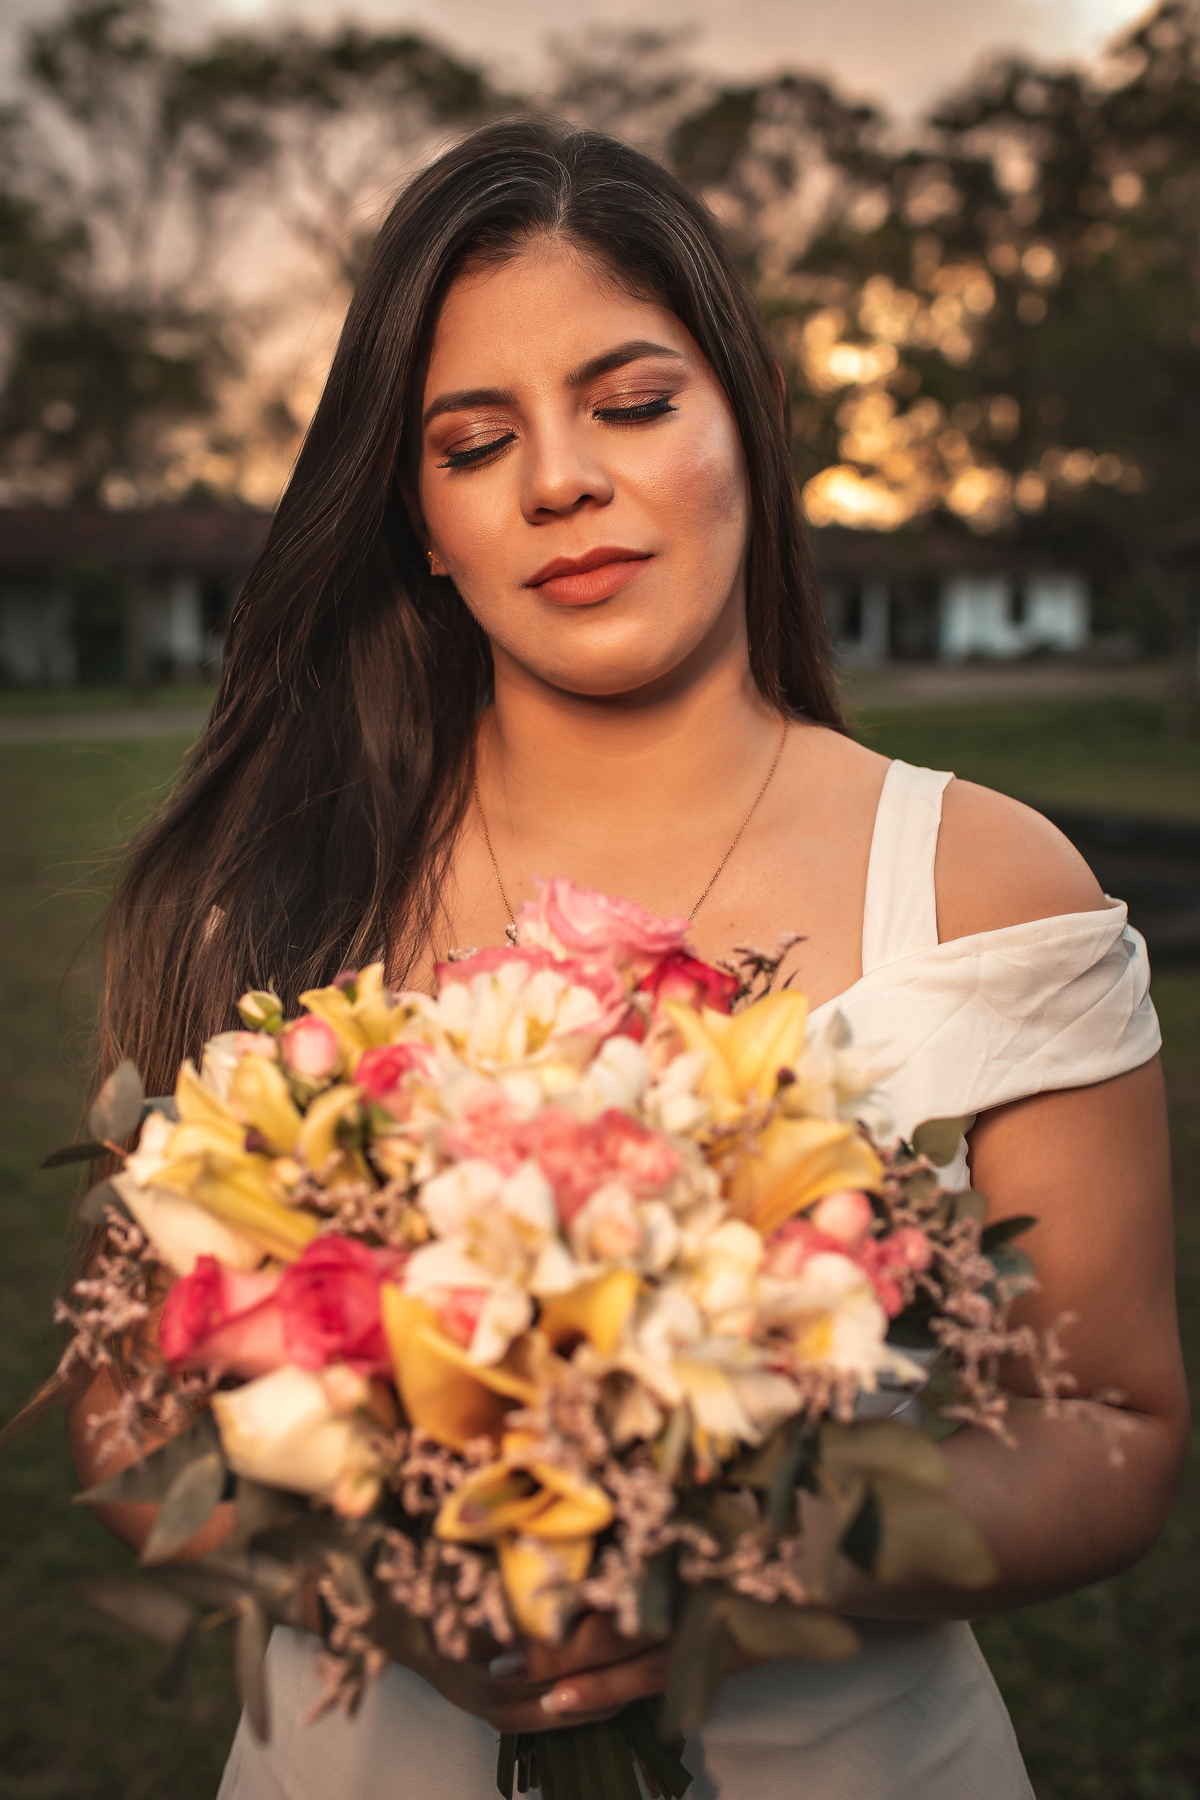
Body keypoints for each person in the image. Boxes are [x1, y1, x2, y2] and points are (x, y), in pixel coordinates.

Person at [66, 119, 1186, 1799]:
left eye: (634, 403)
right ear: (422, 521)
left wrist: (743, 1554)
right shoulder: (279, 893)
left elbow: (1114, 1425)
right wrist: (386, 1583)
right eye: (473, 440)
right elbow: (126, 1423)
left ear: (748, 420)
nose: (559, 481)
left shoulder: (984, 877)